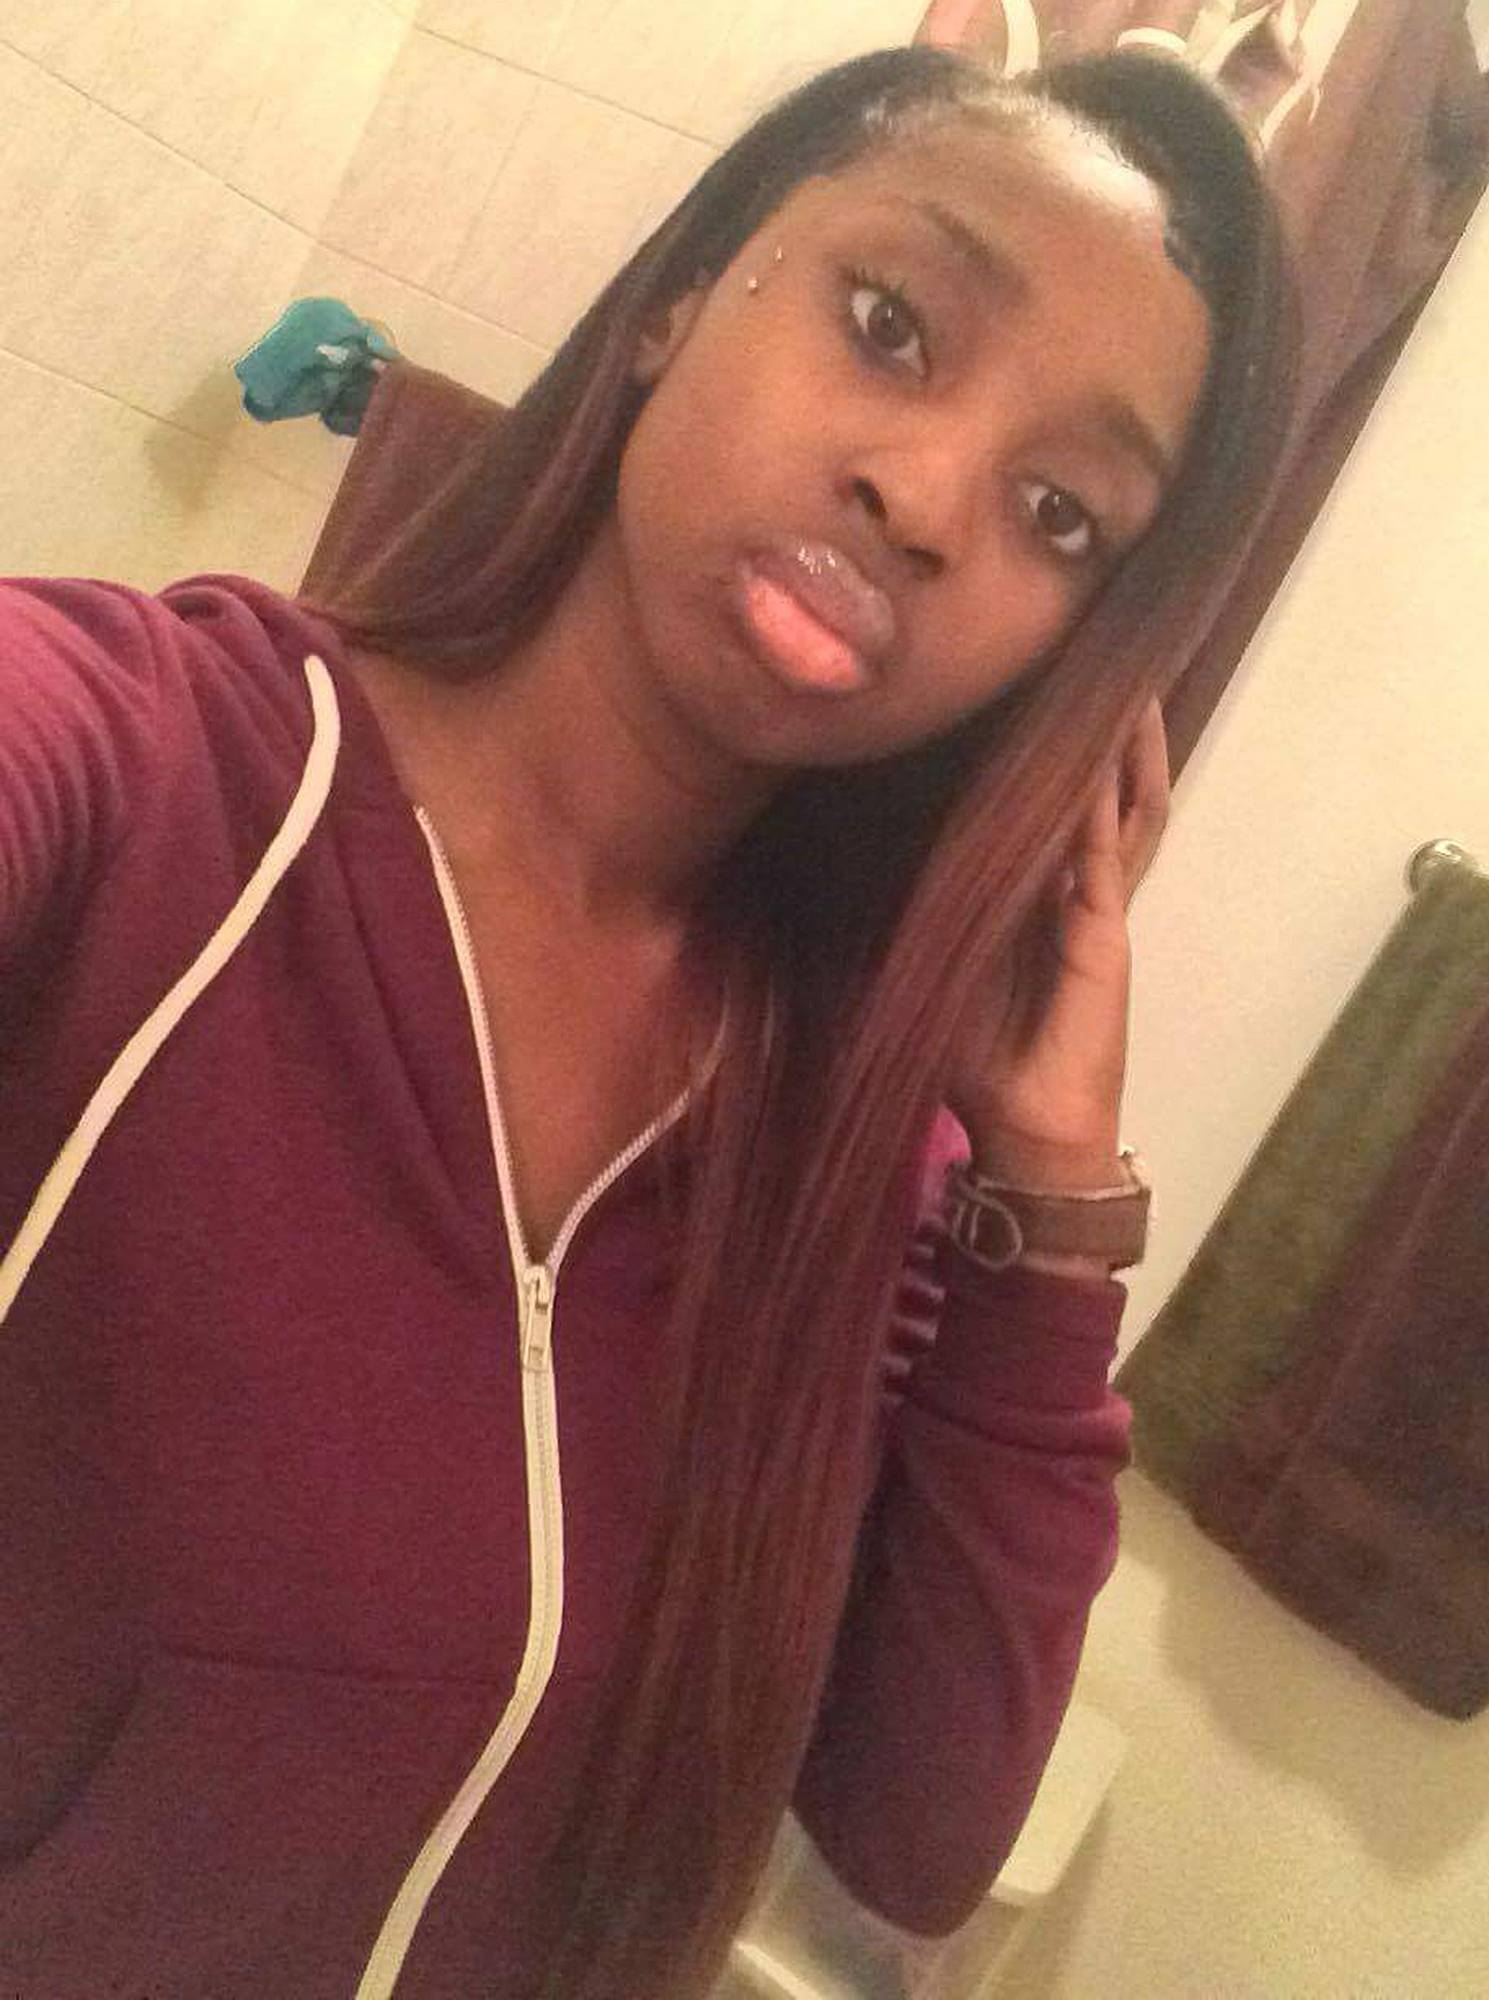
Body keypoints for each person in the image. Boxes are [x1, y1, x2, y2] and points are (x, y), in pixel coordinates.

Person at [0, 40, 1297, 2000]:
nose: (924, 499)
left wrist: (1048, 1186)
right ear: (681, 295)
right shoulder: (162, 778)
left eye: (1057, 510)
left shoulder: (855, 1158)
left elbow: (920, 1836)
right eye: (889, 324)